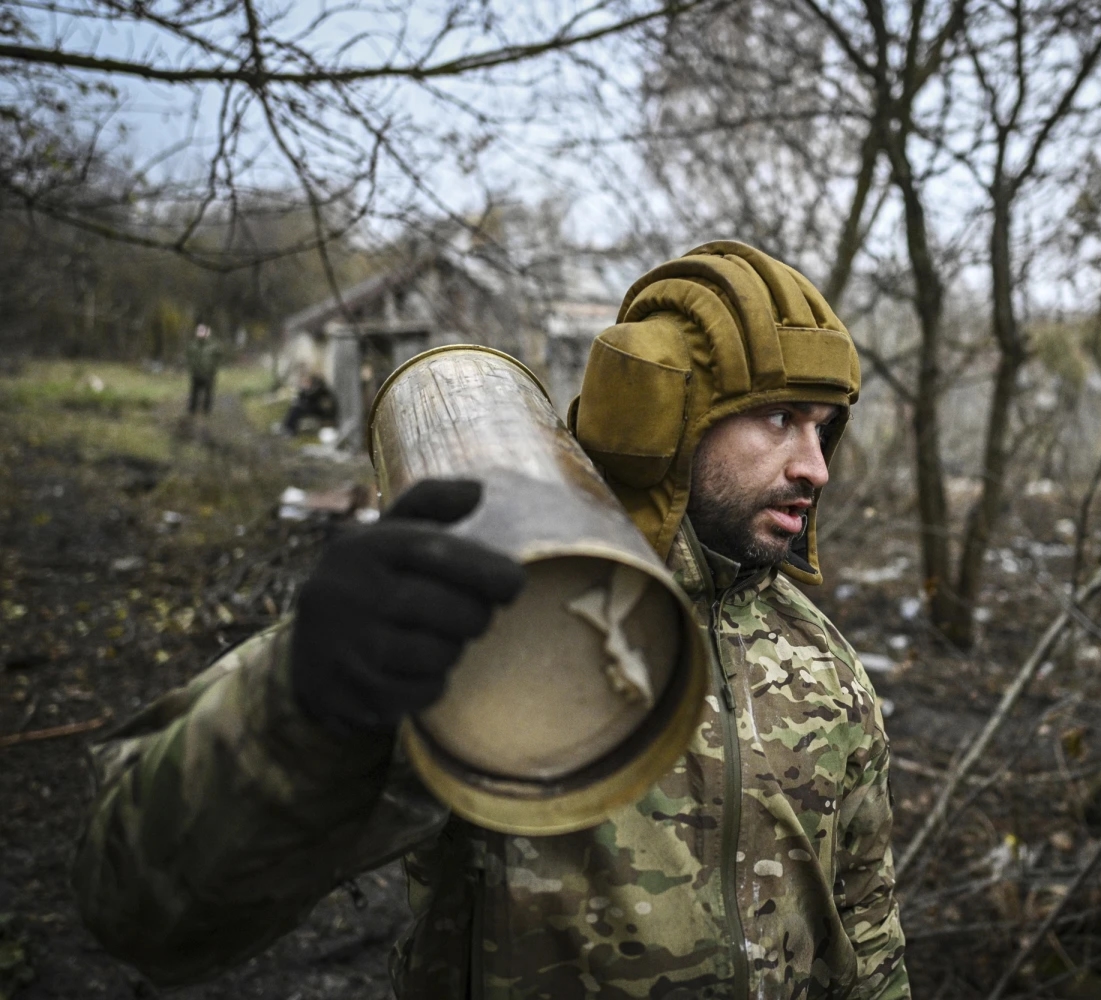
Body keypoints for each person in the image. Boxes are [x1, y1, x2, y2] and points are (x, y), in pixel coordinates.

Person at [72, 241, 909, 999]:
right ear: (659, 414)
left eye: (824, 430)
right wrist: (298, 706)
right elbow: (144, 910)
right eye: (778, 418)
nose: (815, 467)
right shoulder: (499, 618)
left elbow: (866, 932)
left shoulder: (823, 665)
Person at [280, 371, 338, 436]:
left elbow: (323, 405)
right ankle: (288, 427)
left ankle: (290, 429)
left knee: (297, 409)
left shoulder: (320, 390)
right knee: (295, 408)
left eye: (307, 381)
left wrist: (305, 402)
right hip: (312, 409)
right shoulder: (310, 390)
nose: (306, 383)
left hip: (319, 411)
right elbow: (302, 398)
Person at [185, 323, 222, 415]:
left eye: (202, 331)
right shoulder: (192, 345)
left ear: (207, 333)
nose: (200, 333)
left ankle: (207, 410)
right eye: (199, 331)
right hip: (196, 373)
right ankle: (192, 410)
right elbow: (188, 356)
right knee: (194, 392)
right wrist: (191, 367)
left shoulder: (213, 345)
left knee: (208, 392)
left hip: (209, 373)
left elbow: (220, 356)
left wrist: (214, 367)